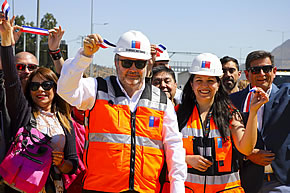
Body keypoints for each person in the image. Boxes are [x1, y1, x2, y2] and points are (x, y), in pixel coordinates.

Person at [57, 30, 187, 193]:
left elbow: (174, 147)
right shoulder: (96, 89)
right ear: (116, 61)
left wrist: (178, 188)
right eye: (127, 63)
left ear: (148, 65)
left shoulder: (161, 101)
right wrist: (84, 56)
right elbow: (65, 90)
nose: (133, 69)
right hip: (100, 190)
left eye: (139, 64)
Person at [0, 17, 78, 192]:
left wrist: (61, 163)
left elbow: (72, 163)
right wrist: (6, 43)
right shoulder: (23, 112)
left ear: (55, 88)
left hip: (54, 187)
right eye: (34, 86)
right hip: (21, 187)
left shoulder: (64, 119)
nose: (40, 90)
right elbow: (11, 81)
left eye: (47, 85)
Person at [176, 53, 268, 192]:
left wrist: (253, 112)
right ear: (191, 83)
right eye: (199, 80)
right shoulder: (177, 114)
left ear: (218, 84)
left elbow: (246, 148)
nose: (204, 86)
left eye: (210, 81)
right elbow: (163, 150)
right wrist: (185, 158)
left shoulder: (230, 114)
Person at [230, 50, 290, 193]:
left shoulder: (286, 95)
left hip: (281, 181)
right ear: (247, 74)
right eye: (256, 70)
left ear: (274, 72)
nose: (262, 73)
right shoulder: (234, 101)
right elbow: (225, 139)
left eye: (267, 69)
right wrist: (248, 154)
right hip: (245, 181)